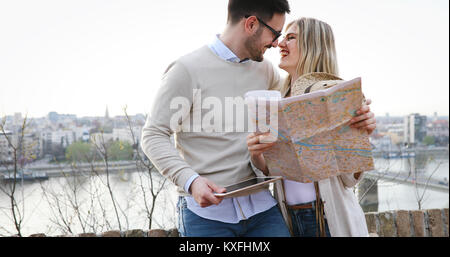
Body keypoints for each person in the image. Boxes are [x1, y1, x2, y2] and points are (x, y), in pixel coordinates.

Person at [142, 0, 375, 237]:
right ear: (252, 24)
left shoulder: (267, 73)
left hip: (263, 209)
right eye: (275, 34)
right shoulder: (186, 70)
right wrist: (191, 181)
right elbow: (153, 135)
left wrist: (356, 122)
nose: (277, 43)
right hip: (208, 213)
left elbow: (298, 119)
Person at [247, 17, 375, 237]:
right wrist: (256, 154)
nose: (280, 44)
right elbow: (272, 172)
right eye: (282, 37)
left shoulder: (335, 96)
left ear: (312, 46)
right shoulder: (275, 97)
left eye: (291, 38)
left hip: (329, 217)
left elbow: (348, 179)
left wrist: (360, 135)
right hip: (288, 218)